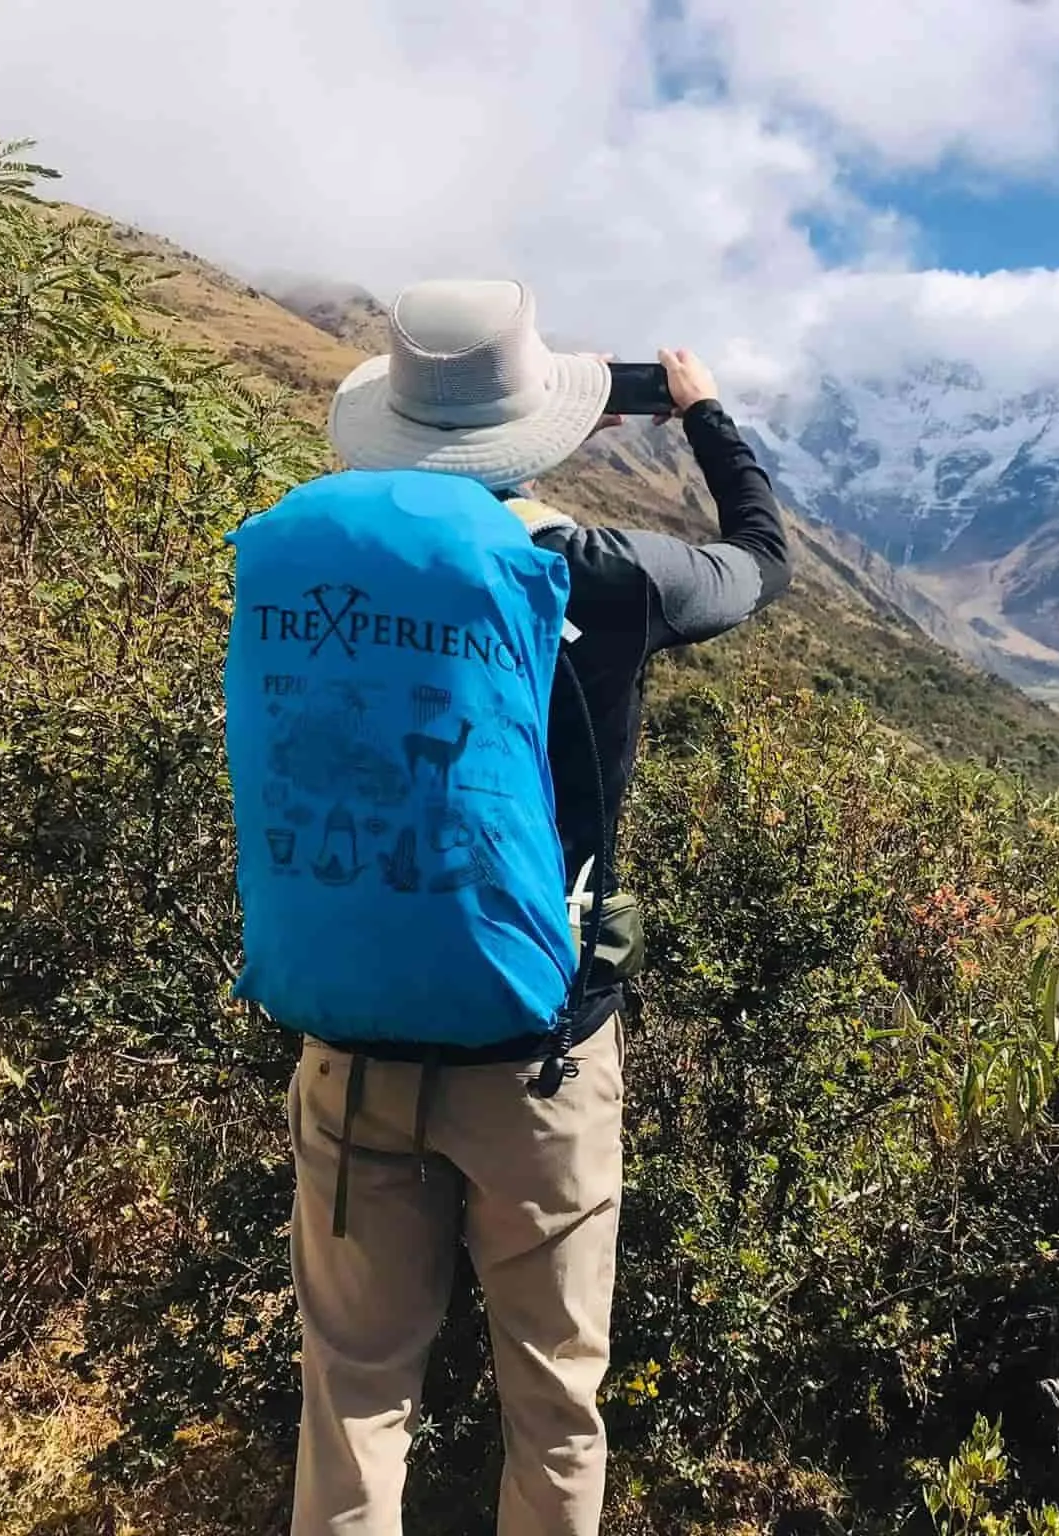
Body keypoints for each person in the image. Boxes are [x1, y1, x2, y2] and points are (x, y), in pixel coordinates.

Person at [286, 279, 791, 1535]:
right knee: (556, 1401)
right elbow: (760, 563)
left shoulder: (312, 564)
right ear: (549, 427)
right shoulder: (603, 578)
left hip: (354, 1048)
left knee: (352, 1396)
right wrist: (703, 420)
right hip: (542, 1060)